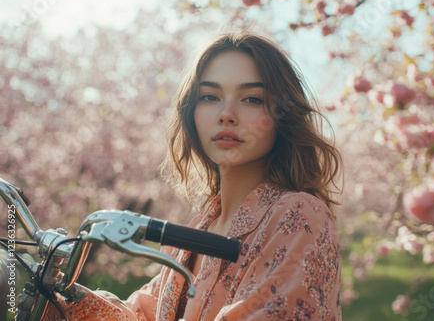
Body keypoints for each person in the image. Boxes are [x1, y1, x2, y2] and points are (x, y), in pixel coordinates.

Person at [45, 30, 343, 320]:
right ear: (192, 112)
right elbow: (141, 314)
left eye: (252, 99)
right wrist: (62, 301)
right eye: (210, 97)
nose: (226, 114)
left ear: (282, 115)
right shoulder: (200, 225)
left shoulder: (300, 214)